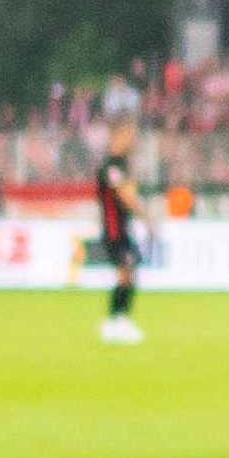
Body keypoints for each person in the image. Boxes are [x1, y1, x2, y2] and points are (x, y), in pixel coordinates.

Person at [92, 147, 147, 344]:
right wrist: (146, 216)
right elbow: (125, 196)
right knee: (126, 276)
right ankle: (117, 321)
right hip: (115, 233)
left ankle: (116, 321)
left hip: (121, 231)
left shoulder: (117, 167)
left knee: (128, 276)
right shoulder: (111, 167)